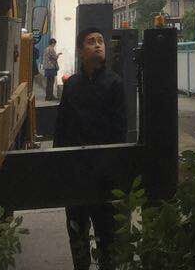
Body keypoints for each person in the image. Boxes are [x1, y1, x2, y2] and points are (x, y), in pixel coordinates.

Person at [53, 26, 127, 270]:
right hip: (76, 177)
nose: (97, 45)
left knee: (108, 241)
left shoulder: (115, 84)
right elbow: (61, 130)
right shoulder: (72, 86)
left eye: (100, 41)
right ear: (80, 50)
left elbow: (119, 131)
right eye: (90, 41)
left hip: (105, 179)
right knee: (78, 240)